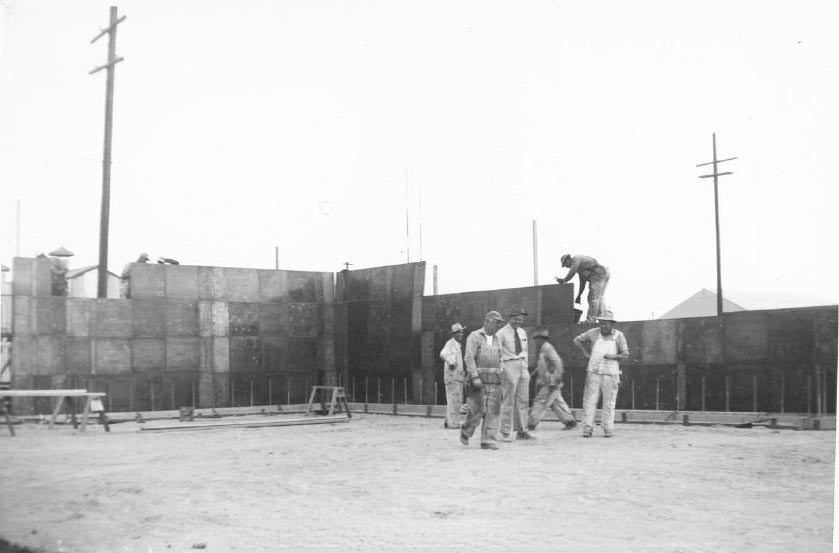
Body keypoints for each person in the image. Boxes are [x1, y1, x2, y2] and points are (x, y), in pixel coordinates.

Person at [573, 310, 630, 438]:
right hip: (594, 371)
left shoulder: (619, 336)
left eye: (606, 323)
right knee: (589, 400)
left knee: (609, 401)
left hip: (611, 372)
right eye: (601, 323)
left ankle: (607, 428)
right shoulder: (593, 333)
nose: (603, 326)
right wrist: (585, 353)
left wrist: (613, 356)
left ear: (612, 324)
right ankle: (588, 427)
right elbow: (577, 340)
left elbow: (625, 354)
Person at [459, 311, 505, 450]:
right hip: (479, 381)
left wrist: (501, 371)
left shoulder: (497, 339)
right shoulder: (475, 336)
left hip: (494, 381)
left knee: (493, 411)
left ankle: (488, 440)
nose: (498, 326)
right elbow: (469, 357)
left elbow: (501, 357)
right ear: (487, 321)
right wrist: (474, 376)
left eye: (499, 323)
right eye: (496, 322)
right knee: (476, 411)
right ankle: (466, 431)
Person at [526, 329, 577, 431]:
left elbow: (557, 362)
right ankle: (570, 421)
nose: (536, 341)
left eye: (537, 339)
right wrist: (536, 372)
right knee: (556, 402)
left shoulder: (547, 348)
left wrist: (556, 377)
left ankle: (531, 423)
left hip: (551, 381)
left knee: (541, 401)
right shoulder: (544, 348)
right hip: (549, 380)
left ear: (542, 339)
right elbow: (545, 363)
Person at [496, 308, 534, 441]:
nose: (519, 321)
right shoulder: (501, 333)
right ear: (509, 317)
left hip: (522, 365)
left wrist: (526, 367)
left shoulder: (522, 332)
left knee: (523, 400)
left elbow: (526, 351)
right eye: (516, 318)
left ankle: (522, 431)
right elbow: (496, 352)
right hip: (509, 365)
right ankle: (505, 432)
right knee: (509, 400)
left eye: (521, 318)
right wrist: (502, 369)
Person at [556, 254, 610, 323]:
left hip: (598, 274)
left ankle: (591, 320)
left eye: (565, 264)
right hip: (602, 274)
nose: (566, 267)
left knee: (593, 298)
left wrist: (564, 280)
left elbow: (572, 272)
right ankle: (604, 318)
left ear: (568, 259)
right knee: (598, 297)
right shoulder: (581, 268)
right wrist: (579, 295)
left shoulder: (576, 259)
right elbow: (582, 283)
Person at [439, 322, 466, 429]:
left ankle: (448, 420)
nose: (460, 334)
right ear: (453, 334)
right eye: (458, 333)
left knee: (454, 399)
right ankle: (453, 423)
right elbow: (443, 354)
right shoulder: (450, 343)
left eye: (461, 332)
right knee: (455, 400)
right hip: (452, 377)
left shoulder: (457, 345)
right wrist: (451, 362)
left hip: (457, 377)